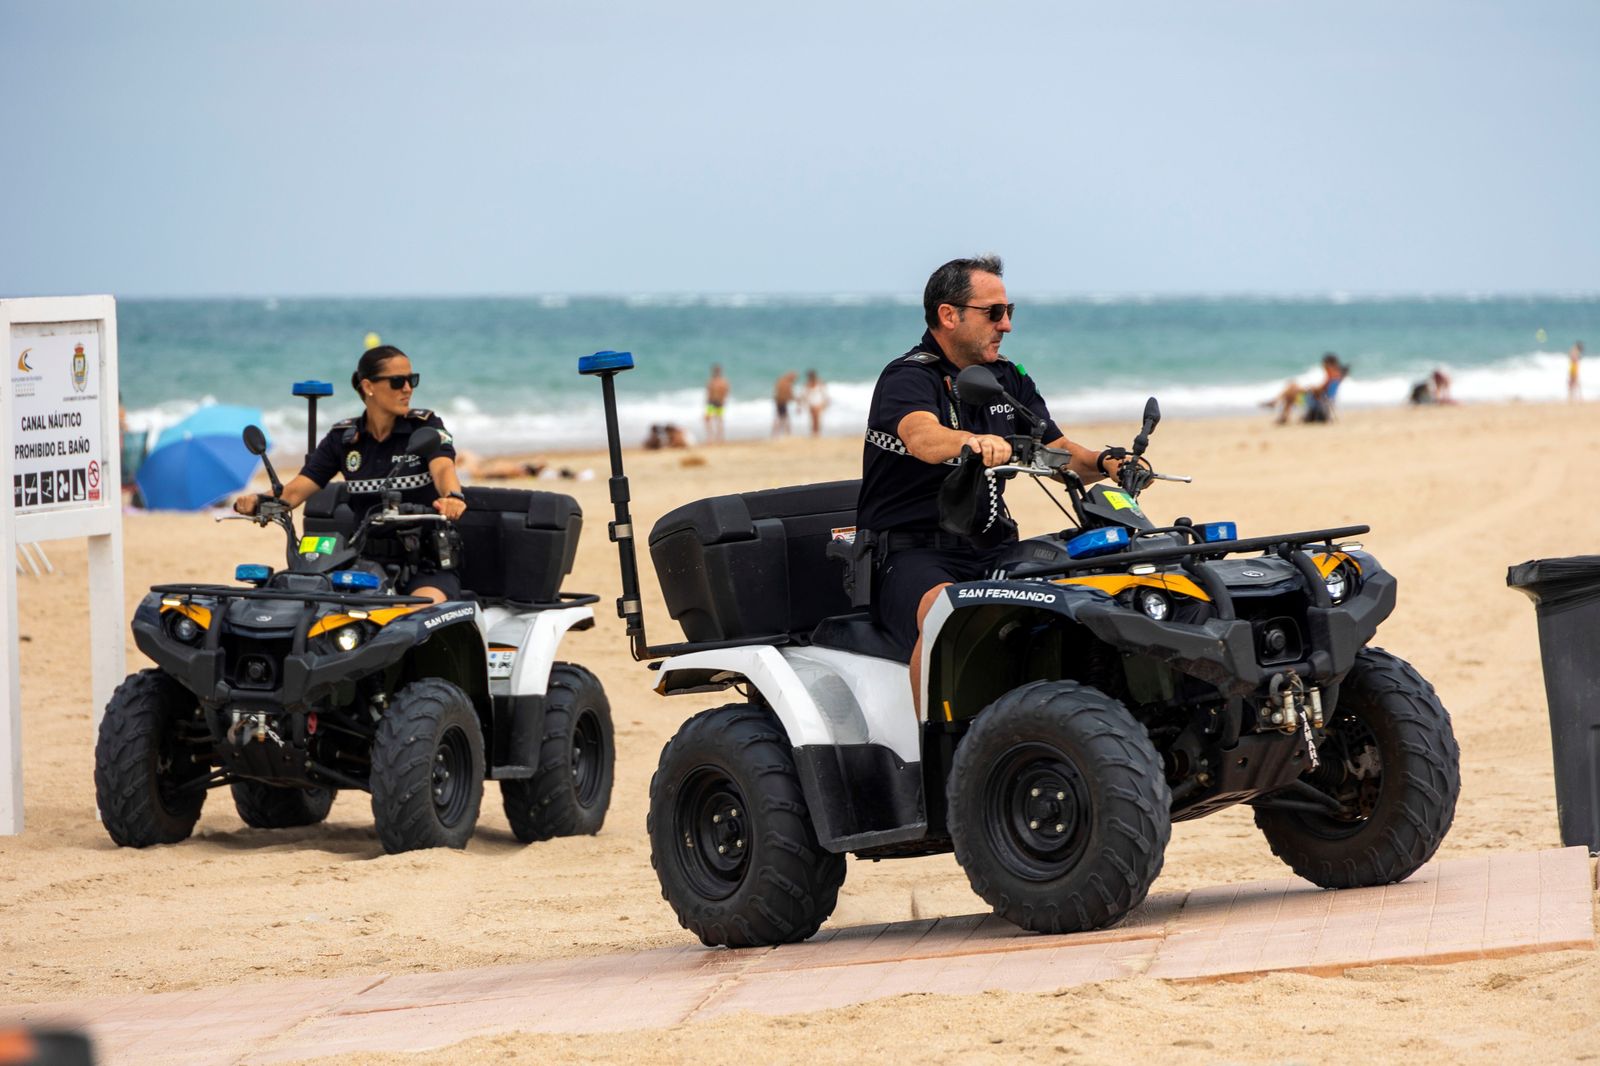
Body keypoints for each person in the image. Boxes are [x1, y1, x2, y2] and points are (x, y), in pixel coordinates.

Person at [858, 255, 1125, 706]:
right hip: (914, 555)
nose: (1006, 326)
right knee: (946, 612)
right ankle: (939, 759)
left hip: (993, 547)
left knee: (1086, 589)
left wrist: (1108, 462)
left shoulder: (1007, 379)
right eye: (994, 313)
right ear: (949, 314)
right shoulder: (908, 377)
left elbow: (1058, 452)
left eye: (1009, 312)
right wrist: (972, 442)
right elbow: (922, 436)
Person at [231, 345, 468, 604]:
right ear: (369, 386)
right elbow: (295, 491)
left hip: (425, 565)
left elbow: (444, 467)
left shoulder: (425, 427)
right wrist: (257, 501)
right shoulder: (344, 439)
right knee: (313, 610)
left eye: (412, 380)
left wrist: (452, 496)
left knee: (420, 612)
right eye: (398, 381)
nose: (408, 389)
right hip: (363, 563)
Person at [1268, 352, 1347, 424]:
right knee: (1292, 389)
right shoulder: (1337, 376)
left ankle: (1277, 404)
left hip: (1319, 404)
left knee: (1292, 388)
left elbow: (1320, 391)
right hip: (1322, 403)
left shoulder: (1332, 376)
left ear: (1329, 364)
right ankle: (1278, 407)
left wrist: (1309, 388)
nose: (1323, 366)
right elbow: (1323, 390)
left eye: (1324, 364)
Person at [704, 364, 729, 443]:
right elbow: (709, 392)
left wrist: (723, 399)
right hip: (712, 402)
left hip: (716, 402)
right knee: (710, 419)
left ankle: (717, 437)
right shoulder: (717, 381)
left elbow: (726, 391)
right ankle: (713, 437)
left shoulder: (718, 381)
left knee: (718, 419)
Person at [804, 369, 829, 437]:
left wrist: (825, 402)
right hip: (812, 402)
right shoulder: (808, 384)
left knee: (817, 418)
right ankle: (814, 432)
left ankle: (816, 433)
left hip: (818, 402)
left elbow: (824, 393)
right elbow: (806, 394)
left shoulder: (819, 382)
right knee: (813, 419)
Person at [772, 370, 798, 438]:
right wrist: (796, 399)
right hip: (781, 401)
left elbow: (777, 391)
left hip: (778, 401)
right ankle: (786, 434)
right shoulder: (787, 383)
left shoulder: (781, 380)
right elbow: (789, 394)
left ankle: (777, 434)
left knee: (780, 418)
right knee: (784, 418)